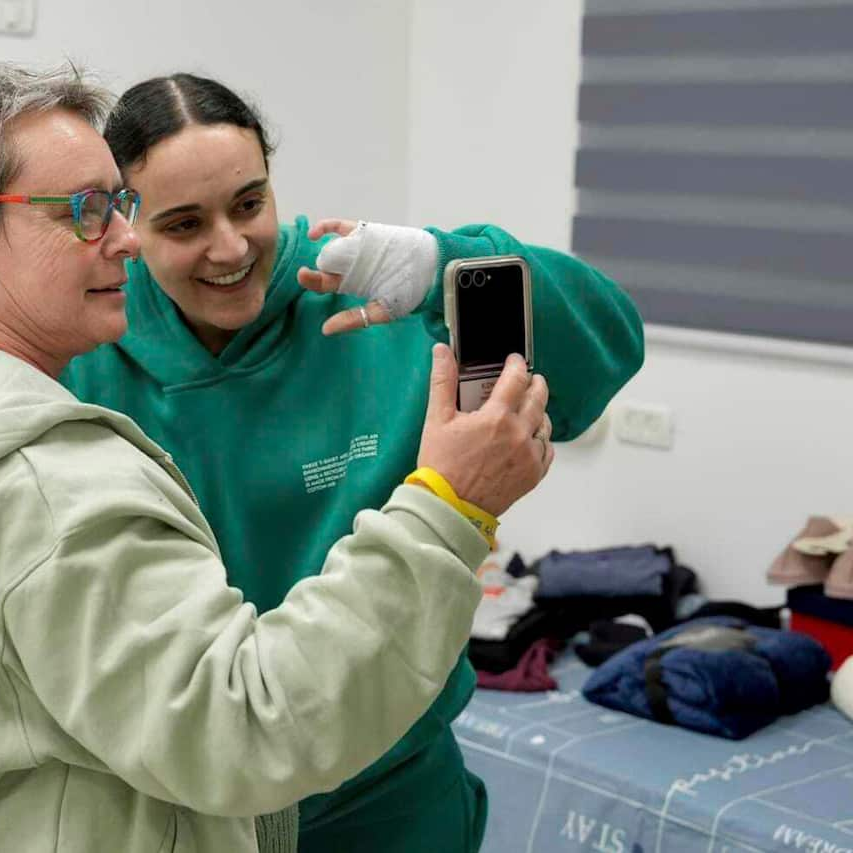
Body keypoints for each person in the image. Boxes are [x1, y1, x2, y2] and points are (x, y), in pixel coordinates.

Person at [0, 58, 555, 853]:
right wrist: (446, 507)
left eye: (118, 204)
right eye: (85, 211)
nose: (125, 239)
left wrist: (438, 259)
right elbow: (250, 726)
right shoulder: (45, 483)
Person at [60, 72, 646, 853]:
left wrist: (448, 259)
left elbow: (610, 346)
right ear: (128, 222)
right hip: (187, 802)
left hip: (390, 790)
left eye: (248, 203)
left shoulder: (368, 294)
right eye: (183, 224)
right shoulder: (85, 352)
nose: (230, 248)